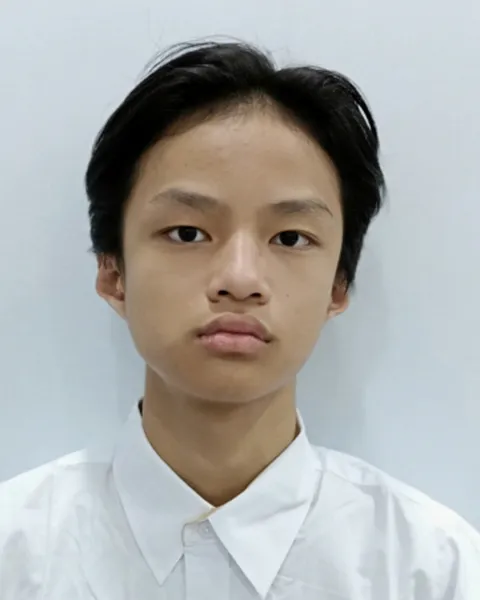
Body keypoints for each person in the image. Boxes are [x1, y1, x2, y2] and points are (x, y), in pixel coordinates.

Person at [0, 39, 479, 600]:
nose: (240, 278)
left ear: (338, 285)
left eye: (290, 238)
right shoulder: (16, 555)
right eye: (187, 233)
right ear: (113, 271)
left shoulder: (434, 571)